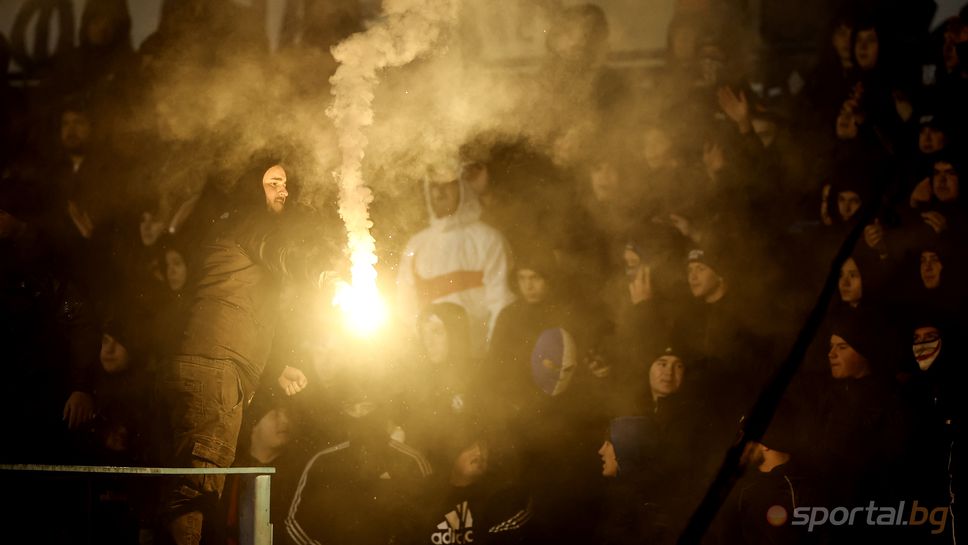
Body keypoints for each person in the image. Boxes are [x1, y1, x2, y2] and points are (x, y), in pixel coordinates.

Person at [161, 152, 333, 545]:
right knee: (198, 487)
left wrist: (274, 366)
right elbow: (282, 254)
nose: (283, 191)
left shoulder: (234, 226)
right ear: (251, 186)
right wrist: (323, 274)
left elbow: (245, 307)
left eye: (285, 183)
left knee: (192, 482)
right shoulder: (252, 224)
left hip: (213, 365)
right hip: (216, 370)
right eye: (273, 182)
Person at [397, 164, 514, 358]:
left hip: (477, 355)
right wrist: (425, 348)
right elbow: (404, 305)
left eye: (447, 185)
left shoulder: (488, 240)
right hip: (431, 358)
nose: (439, 193)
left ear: (462, 187)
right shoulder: (416, 245)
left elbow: (500, 301)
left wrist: (488, 353)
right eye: (433, 186)